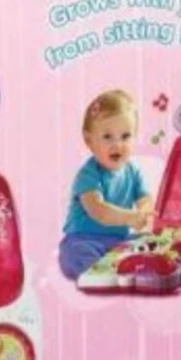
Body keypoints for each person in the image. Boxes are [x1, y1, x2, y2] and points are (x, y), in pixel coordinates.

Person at [59, 89, 154, 280]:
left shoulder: (133, 171)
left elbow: (145, 199)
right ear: (89, 140)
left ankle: (121, 267)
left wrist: (144, 214)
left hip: (118, 242)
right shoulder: (88, 174)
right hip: (84, 240)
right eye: (107, 137)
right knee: (74, 254)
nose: (117, 145)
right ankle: (103, 272)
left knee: (149, 241)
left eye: (125, 136)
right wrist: (130, 217)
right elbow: (99, 211)